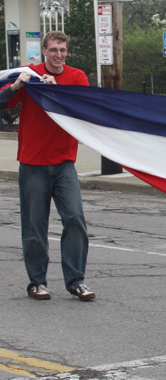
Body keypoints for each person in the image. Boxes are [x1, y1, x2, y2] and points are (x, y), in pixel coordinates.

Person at [3, 31, 96, 301]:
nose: (58, 55)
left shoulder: (77, 77)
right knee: (34, 226)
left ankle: (76, 281)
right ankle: (37, 283)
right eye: (54, 49)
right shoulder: (29, 75)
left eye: (63, 50)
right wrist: (17, 86)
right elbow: (1, 100)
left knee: (75, 220)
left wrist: (55, 88)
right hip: (32, 163)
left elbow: (84, 108)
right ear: (44, 51)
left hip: (64, 162)